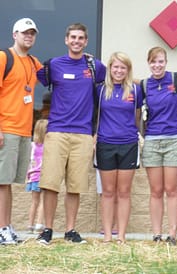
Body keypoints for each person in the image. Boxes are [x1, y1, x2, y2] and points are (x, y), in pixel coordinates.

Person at [36, 23, 106, 245]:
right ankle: (47, 230)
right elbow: (29, 79)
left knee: (75, 186)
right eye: (73, 37)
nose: (76, 41)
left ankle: (70, 230)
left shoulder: (95, 66)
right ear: (66, 40)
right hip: (56, 131)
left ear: (86, 42)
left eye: (81, 38)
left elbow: (111, 82)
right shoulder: (53, 66)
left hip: (83, 134)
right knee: (50, 184)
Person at [141, 47, 177, 246]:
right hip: (153, 141)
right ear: (148, 63)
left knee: (172, 189)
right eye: (153, 62)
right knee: (155, 190)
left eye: (161, 61)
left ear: (166, 62)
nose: (157, 65)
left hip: (176, 139)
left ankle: (172, 234)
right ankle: (156, 234)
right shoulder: (144, 85)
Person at [0, 18, 42, 245]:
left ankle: (6, 226)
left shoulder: (34, 63)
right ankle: (1, 228)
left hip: (25, 131)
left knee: (8, 183)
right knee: (1, 183)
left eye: (32, 33)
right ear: (14, 34)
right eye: (25, 32)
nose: (29, 36)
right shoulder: (3, 58)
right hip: (6, 129)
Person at [95, 52, 142, 243]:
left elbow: (138, 116)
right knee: (107, 192)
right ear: (109, 68)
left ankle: (121, 235)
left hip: (129, 144)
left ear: (128, 70)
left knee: (124, 192)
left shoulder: (136, 91)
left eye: (123, 67)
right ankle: (107, 235)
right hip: (105, 144)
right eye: (115, 67)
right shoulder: (99, 90)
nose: (119, 70)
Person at [26, 119, 48, 234]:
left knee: (34, 202)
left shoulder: (32, 145)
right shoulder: (48, 146)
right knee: (43, 201)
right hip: (43, 176)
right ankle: (39, 225)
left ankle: (30, 225)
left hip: (32, 177)